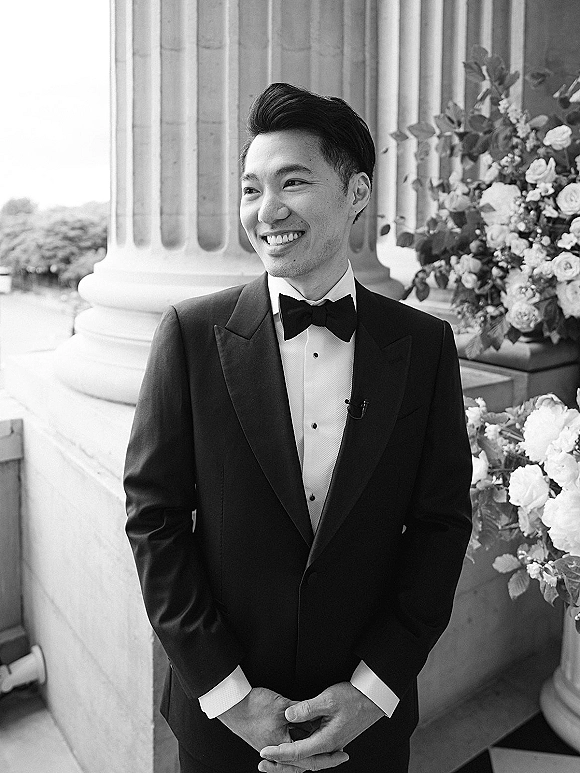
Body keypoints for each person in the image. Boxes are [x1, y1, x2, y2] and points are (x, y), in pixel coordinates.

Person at [124, 82, 472, 773]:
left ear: (357, 192)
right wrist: (233, 697)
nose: (266, 210)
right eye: (252, 189)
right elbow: (155, 521)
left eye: (292, 182)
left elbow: (440, 527)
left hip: (368, 724)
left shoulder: (425, 345)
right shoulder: (189, 334)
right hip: (223, 725)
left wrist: (373, 690)